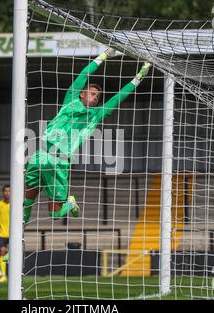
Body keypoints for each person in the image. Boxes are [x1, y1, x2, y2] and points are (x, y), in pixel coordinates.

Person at [23, 48, 151, 223]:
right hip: (39, 153)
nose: (96, 97)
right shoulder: (71, 100)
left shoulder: (96, 115)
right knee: (26, 200)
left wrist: (138, 78)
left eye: (98, 96)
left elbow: (119, 97)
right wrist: (104, 56)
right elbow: (83, 75)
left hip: (58, 160)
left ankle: (69, 204)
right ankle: (13, 245)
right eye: (92, 93)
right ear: (81, 94)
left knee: (55, 214)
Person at [0, 185, 10, 283]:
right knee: (2, 253)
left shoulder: (15, 204)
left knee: (11, 255)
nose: (7, 193)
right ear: (3, 192)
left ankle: (15, 274)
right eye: (5, 191)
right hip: (2, 234)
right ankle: (3, 275)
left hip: (13, 234)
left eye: (9, 191)